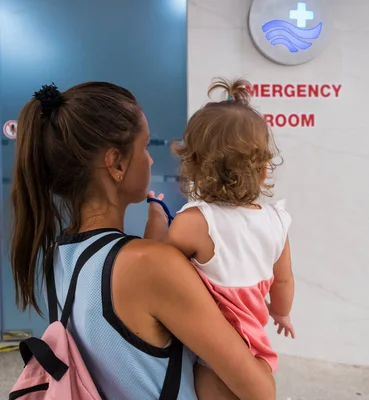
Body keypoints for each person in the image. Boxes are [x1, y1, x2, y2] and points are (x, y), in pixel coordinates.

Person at [10, 82, 275, 399]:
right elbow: (260, 392)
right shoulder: (149, 263)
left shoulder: (60, 257)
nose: (150, 160)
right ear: (117, 163)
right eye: (145, 146)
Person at [146, 78, 295, 400]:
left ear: (193, 166)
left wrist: (157, 219)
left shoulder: (196, 223)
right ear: (264, 169)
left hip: (214, 347)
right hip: (255, 338)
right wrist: (281, 313)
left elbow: (156, 264)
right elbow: (283, 280)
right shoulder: (277, 220)